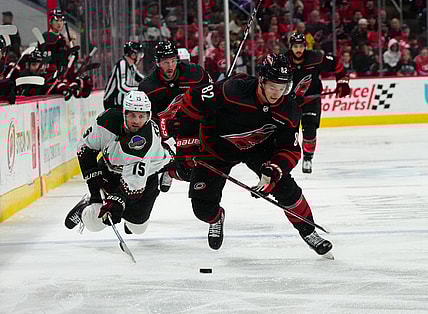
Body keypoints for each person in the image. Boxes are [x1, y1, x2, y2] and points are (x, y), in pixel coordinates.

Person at [164, 54, 333, 258]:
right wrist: (186, 147)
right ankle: (216, 218)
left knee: (285, 188)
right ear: (261, 80)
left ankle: (309, 231)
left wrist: (274, 170)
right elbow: (191, 101)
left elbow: (290, 148)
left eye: (283, 88)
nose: (277, 94)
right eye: (272, 86)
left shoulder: (288, 109)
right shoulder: (232, 90)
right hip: (217, 148)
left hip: (259, 150)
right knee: (202, 208)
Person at [64, 90, 171, 235]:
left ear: (148, 116)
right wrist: (94, 184)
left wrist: (116, 201)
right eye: (132, 115)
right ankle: (85, 207)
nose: (136, 121)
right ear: (124, 113)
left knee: (138, 227)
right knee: (96, 222)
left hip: (145, 178)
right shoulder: (107, 121)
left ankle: (129, 217)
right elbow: (85, 149)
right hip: (110, 170)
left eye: (141, 116)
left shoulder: (147, 138)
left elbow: (133, 185)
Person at [138, 40, 212, 192]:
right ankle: (167, 166)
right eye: (165, 62)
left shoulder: (195, 74)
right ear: (157, 62)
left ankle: (172, 170)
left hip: (191, 123)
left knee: (195, 171)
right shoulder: (148, 87)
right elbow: (149, 120)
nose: (170, 66)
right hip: (166, 128)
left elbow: (211, 97)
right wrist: (166, 137)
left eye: (173, 61)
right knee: (182, 166)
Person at [286, 32, 351, 174]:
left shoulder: (315, 57)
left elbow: (338, 65)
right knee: (288, 133)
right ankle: (285, 161)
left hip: (311, 100)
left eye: (301, 46)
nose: (298, 49)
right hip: (289, 102)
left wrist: (342, 83)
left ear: (305, 46)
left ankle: (308, 158)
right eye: (295, 46)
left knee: (310, 130)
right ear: (290, 47)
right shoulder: (283, 61)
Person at [103, 41, 145, 110]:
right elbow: (122, 87)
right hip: (113, 104)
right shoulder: (122, 63)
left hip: (121, 104)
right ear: (132, 55)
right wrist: (139, 89)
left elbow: (141, 79)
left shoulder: (131, 66)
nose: (140, 57)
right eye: (139, 54)